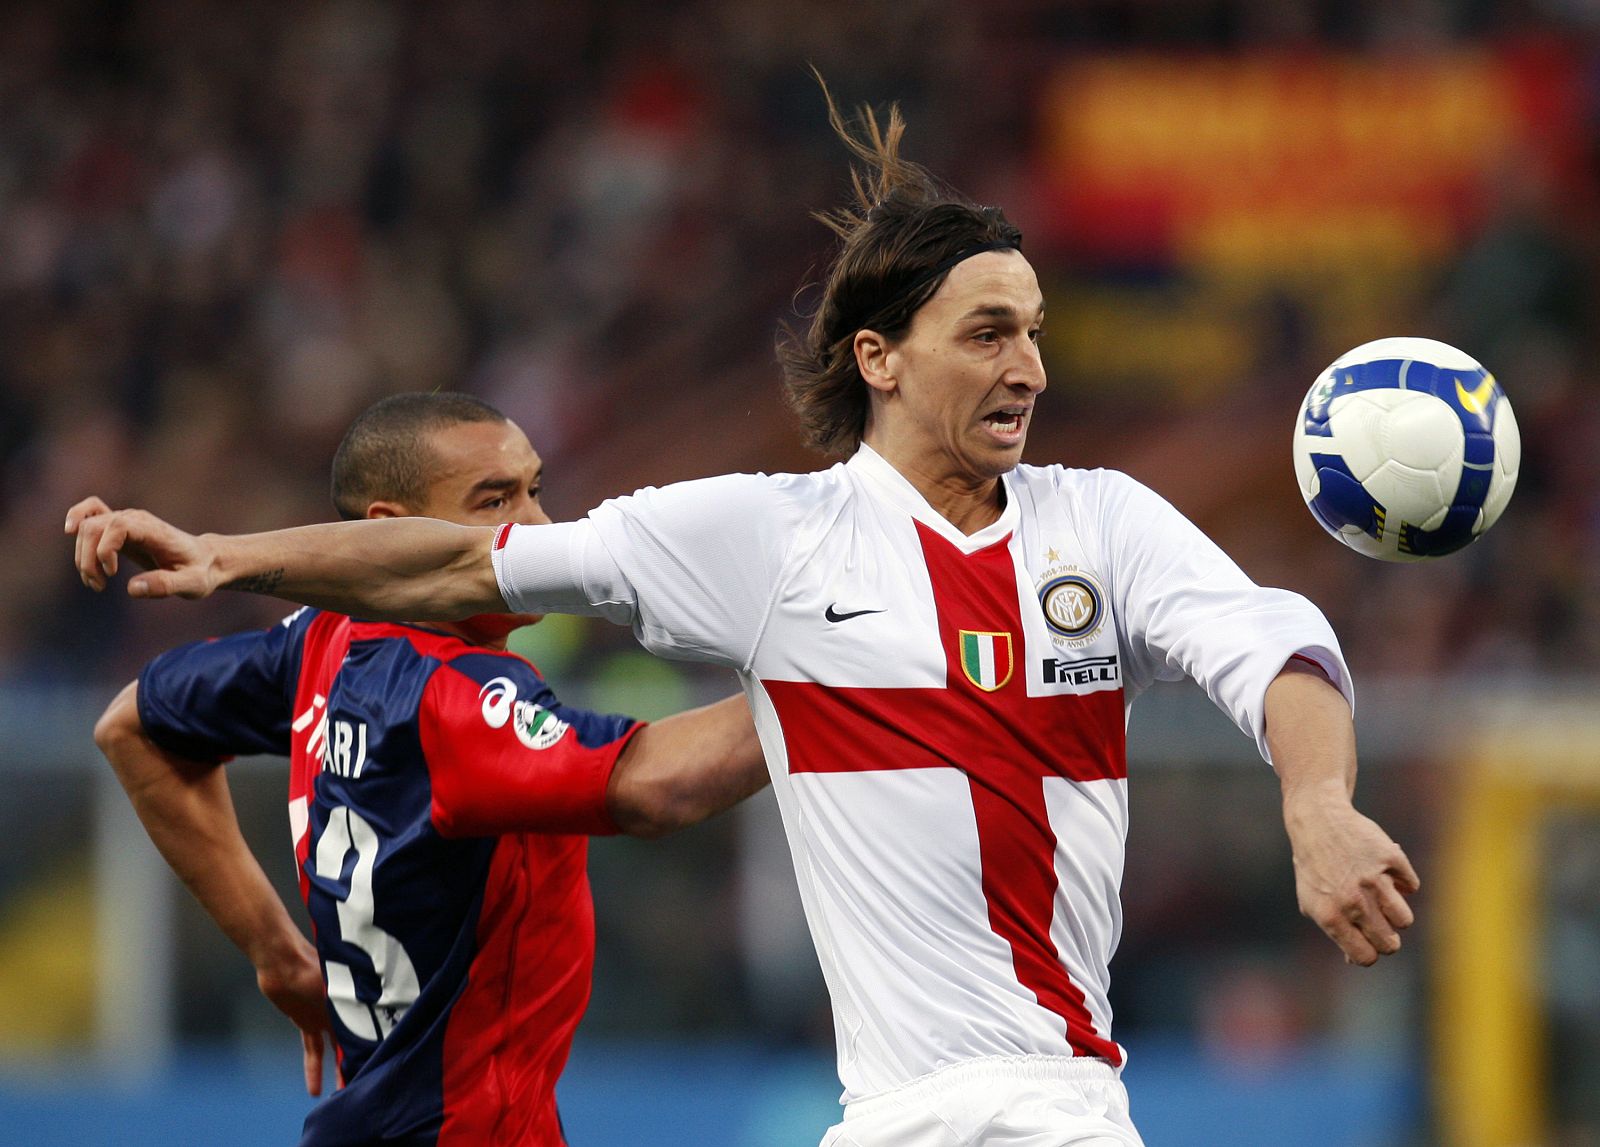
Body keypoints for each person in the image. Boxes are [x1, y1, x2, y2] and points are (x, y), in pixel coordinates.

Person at [70, 96, 1419, 1147]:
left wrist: (1318, 801)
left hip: (1051, 1105)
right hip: (884, 1112)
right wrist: (228, 549)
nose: (1031, 367)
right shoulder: (767, 535)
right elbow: (461, 572)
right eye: (991, 332)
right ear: (879, 358)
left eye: (1036, 331)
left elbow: (1274, 645)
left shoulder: (1102, 521)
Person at [85, 392, 767, 1147]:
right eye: (494, 500)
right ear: (390, 531)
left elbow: (132, 727)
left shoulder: (323, 639)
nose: (538, 528)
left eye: (535, 490)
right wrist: (825, 676)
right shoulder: (449, 694)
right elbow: (654, 784)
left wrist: (274, 952)